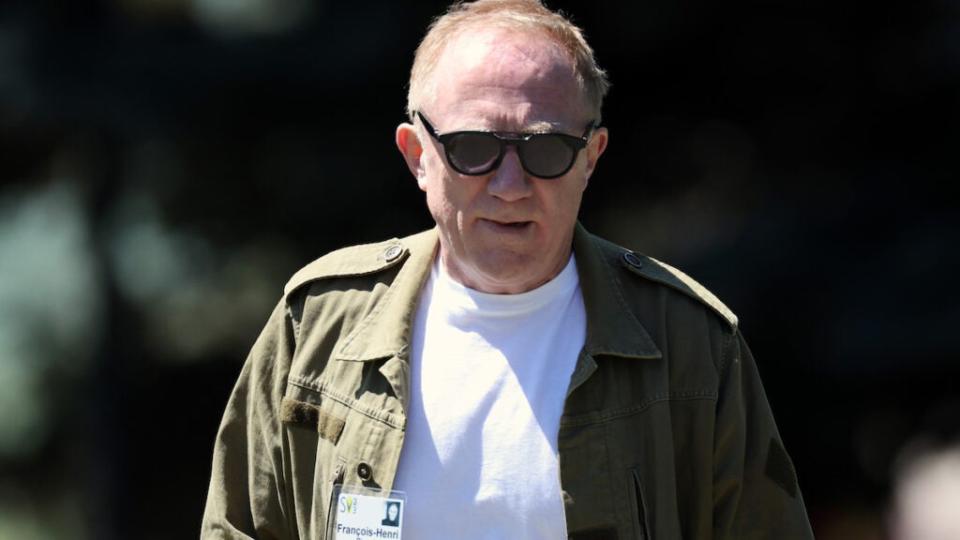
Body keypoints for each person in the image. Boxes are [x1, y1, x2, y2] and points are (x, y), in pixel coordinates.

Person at [201, 1, 814, 538]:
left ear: (590, 158)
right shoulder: (318, 324)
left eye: (546, 150)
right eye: (473, 149)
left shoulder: (690, 344)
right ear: (417, 156)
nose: (511, 185)